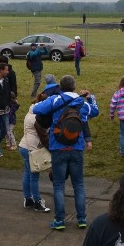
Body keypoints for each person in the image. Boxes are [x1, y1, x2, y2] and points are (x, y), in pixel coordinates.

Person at [32, 75, 99, 230]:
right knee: (79, 184)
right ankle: (81, 218)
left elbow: (36, 109)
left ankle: (59, 220)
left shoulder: (56, 100)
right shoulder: (81, 102)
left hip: (58, 147)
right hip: (77, 147)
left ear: (60, 87)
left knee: (59, 185)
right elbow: (95, 111)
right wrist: (90, 97)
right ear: (74, 86)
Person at [18, 95, 51, 213]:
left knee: (27, 174)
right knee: (34, 176)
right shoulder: (37, 117)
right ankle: (37, 202)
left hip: (24, 146)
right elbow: (44, 134)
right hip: (32, 149)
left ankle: (28, 199)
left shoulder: (30, 113)